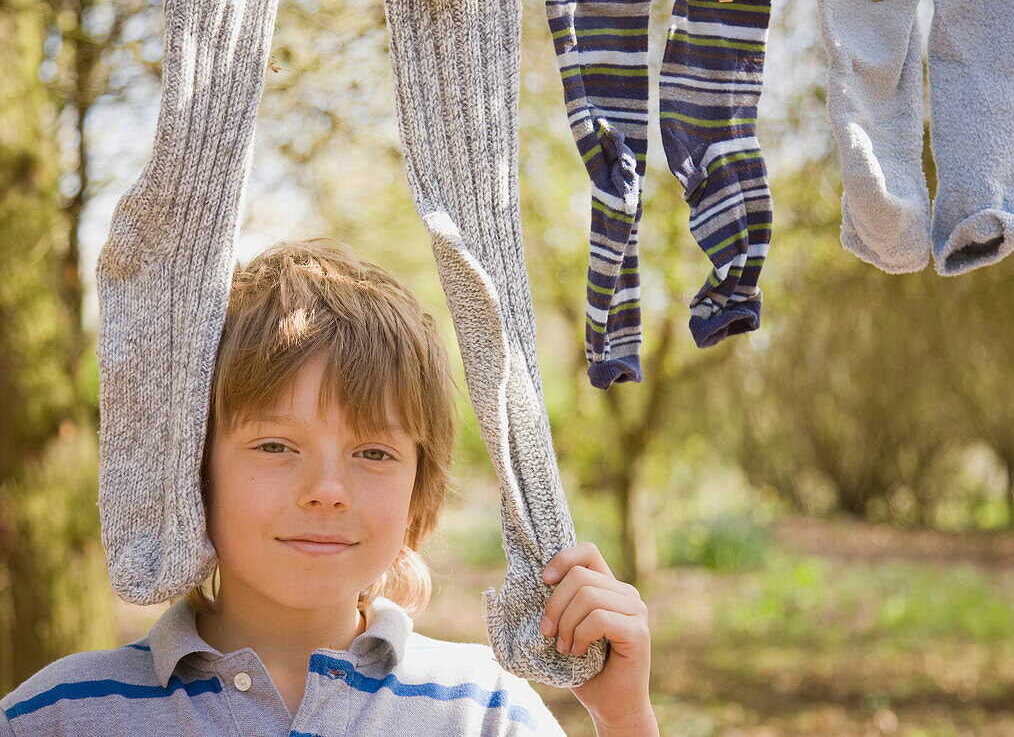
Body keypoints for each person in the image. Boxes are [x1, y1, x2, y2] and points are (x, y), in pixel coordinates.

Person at [0, 240, 659, 736]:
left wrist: (624, 715)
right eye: (275, 445)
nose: (327, 489)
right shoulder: (61, 714)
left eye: (372, 451)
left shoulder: (485, 711)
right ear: (192, 470)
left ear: (417, 491)